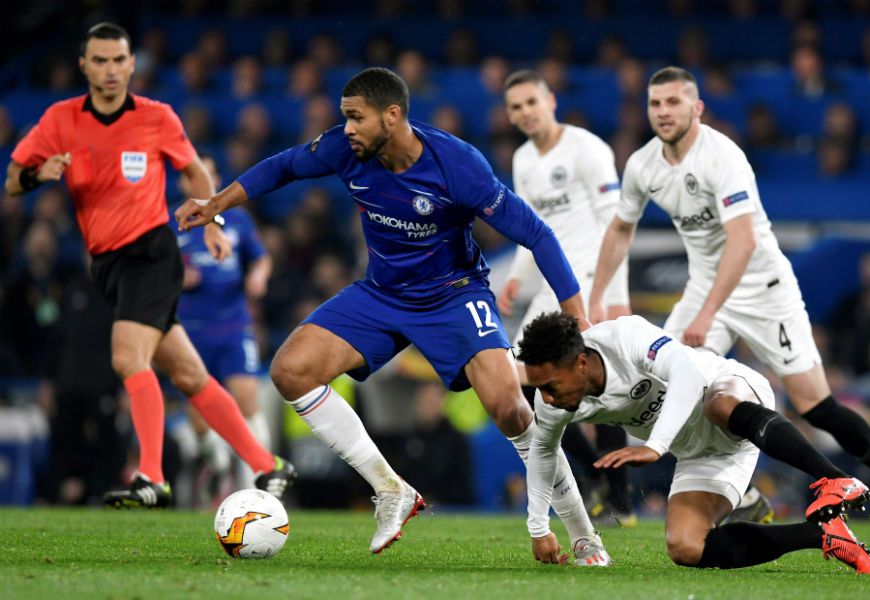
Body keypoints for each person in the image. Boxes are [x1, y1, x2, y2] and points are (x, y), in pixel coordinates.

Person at [175, 67, 602, 561]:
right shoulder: (345, 149)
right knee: (290, 371)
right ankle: (390, 490)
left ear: (392, 116)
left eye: (356, 118)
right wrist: (216, 203)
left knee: (510, 409)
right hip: (383, 293)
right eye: (345, 118)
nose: (347, 128)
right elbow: (285, 167)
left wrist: (578, 322)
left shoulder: (457, 165)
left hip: (453, 295)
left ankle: (583, 533)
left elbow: (537, 235)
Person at [4, 22, 297, 508]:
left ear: (132, 64)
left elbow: (193, 170)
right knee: (188, 376)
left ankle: (152, 476)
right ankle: (269, 466)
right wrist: (39, 173)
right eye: (100, 60)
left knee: (126, 358)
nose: (111, 70)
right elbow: (13, 180)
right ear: (84, 66)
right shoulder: (59, 119)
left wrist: (211, 223)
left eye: (119, 60)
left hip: (151, 253)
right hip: (107, 265)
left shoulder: (156, 117)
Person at [587, 66, 870, 515]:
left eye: (673, 102)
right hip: (704, 289)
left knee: (814, 403)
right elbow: (620, 227)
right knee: (663, 395)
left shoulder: (723, 156)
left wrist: (705, 314)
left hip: (762, 287)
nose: (663, 111)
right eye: (655, 103)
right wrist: (599, 296)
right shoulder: (643, 164)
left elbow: (744, 240)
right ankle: (746, 496)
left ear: (697, 108)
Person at [519, 312, 870, 575]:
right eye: (538, 388)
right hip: (700, 451)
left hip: (730, 392)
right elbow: (543, 452)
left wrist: (656, 446)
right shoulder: (552, 404)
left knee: (717, 403)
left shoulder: (623, 336)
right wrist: (539, 528)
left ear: (581, 362)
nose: (546, 398)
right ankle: (821, 535)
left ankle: (835, 479)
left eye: (550, 385)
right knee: (686, 546)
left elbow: (688, 374)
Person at [499, 69, 635, 526]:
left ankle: (616, 499)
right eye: (515, 107)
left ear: (550, 100)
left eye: (530, 103)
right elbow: (528, 227)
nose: (524, 113)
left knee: (601, 380)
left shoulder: (588, 149)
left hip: (591, 279)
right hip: (549, 285)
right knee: (524, 379)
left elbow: (616, 225)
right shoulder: (522, 159)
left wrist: (613, 297)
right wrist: (518, 277)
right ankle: (601, 481)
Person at [173, 153, 273, 492]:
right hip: (191, 333)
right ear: (182, 182)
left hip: (233, 326)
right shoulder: (171, 223)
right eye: (192, 176)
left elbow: (261, 259)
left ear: (216, 177)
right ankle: (215, 463)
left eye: (208, 173)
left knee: (247, 399)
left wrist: (258, 277)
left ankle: (261, 479)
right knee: (200, 414)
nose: (201, 181)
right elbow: (148, 271)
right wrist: (175, 276)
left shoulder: (238, 220)